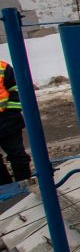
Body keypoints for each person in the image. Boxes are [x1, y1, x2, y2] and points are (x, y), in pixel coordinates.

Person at [0, 57, 30, 187]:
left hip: (7, 120)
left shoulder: (3, 68)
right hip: (8, 120)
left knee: (18, 156)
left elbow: (16, 91)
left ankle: (25, 186)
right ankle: (7, 189)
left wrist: (10, 114)